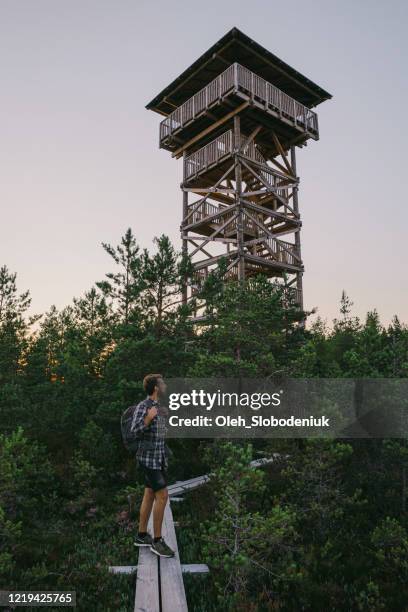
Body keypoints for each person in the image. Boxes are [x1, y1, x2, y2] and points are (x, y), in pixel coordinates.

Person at [131, 373, 175, 558]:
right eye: (162, 382)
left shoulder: (158, 407)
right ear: (156, 387)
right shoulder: (144, 406)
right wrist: (148, 419)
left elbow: (160, 435)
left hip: (157, 460)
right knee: (162, 496)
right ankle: (157, 541)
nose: (164, 384)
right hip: (148, 461)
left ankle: (141, 536)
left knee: (149, 494)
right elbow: (134, 431)